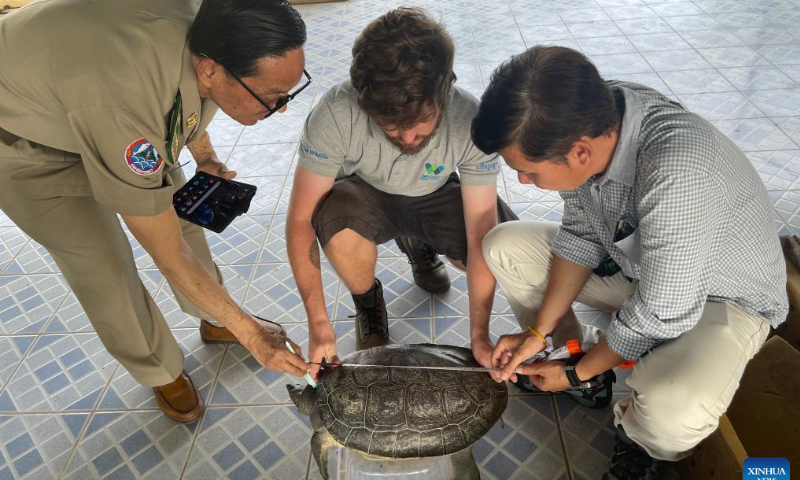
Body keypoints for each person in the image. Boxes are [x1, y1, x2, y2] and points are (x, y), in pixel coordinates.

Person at [471, 46, 788, 480]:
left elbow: (661, 309)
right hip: (639, 268)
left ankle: (637, 440)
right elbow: (581, 234)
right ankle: (566, 355)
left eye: (528, 171)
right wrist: (536, 331)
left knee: (672, 407)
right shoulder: (597, 117)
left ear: (579, 152)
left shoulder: (676, 173)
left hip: (723, 295)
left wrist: (576, 374)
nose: (523, 181)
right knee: (505, 244)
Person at [0, 0, 311, 423]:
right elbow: (167, 255)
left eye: (288, 92)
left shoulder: (213, 23)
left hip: (83, 91)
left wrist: (203, 155)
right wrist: (253, 334)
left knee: (186, 217)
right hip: (25, 143)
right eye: (271, 97)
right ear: (210, 69)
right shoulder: (126, 103)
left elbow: (185, 106)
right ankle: (160, 369)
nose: (281, 107)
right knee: (104, 266)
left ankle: (212, 315)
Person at [286, 7, 517, 381]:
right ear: (363, 101)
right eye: (392, 127)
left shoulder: (470, 118)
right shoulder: (335, 112)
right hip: (364, 192)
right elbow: (299, 221)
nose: (408, 140)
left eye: (422, 125)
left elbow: (479, 230)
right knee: (336, 226)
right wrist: (318, 323)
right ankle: (368, 303)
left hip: (434, 190)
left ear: (446, 92)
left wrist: (479, 333)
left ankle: (418, 243)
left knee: (501, 246)